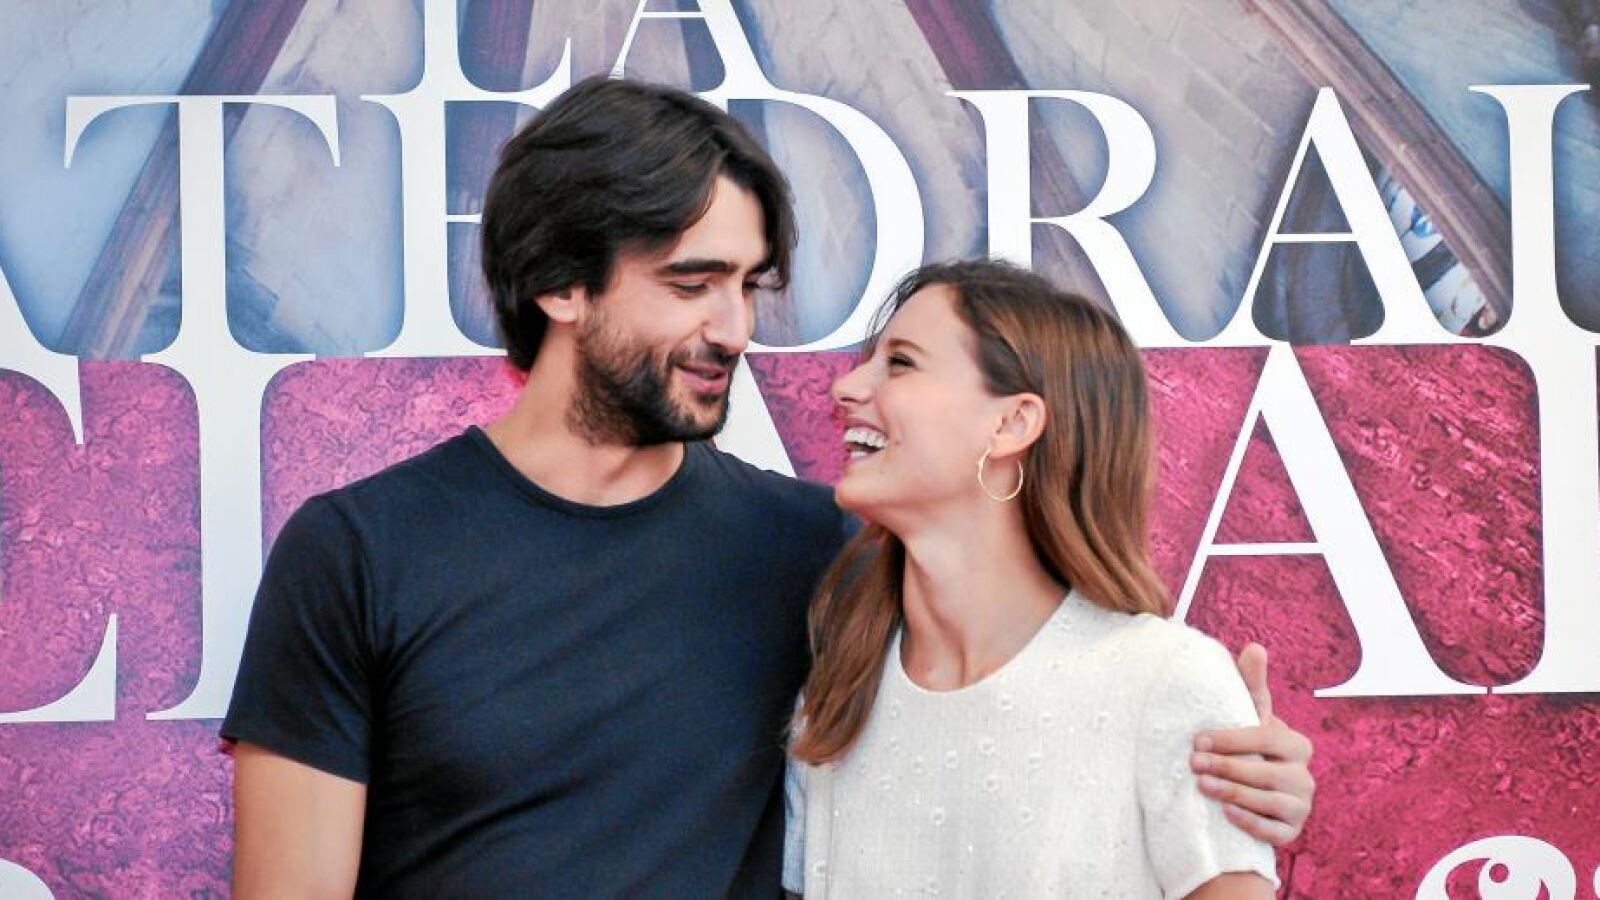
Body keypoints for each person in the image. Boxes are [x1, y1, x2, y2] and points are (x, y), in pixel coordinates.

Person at [222, 77, 1313, 899]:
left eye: (749, 286)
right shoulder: (359, 552)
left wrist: (1227, 775)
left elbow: (1024, 707)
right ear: (558, 283)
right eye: (692, 283)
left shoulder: (819, 555)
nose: (736, 329)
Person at [783, 259, 1302, 898]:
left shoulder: (1165, 680)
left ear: (1012, 424)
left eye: (901, 363)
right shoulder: (837, 695)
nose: (844, 387)